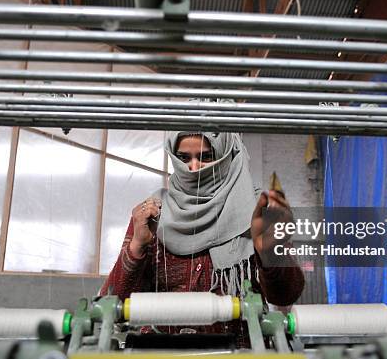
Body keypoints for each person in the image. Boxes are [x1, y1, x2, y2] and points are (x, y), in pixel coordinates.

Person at [100, 131, 304, 344]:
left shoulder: (257, 213)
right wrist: (137, 247)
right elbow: (112, 304)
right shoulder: (152, 215)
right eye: (184, 158)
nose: (194, 168)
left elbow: (286, 295)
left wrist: (269, 253)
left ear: (227, 156)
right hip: (161, 358)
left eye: (206, 157)